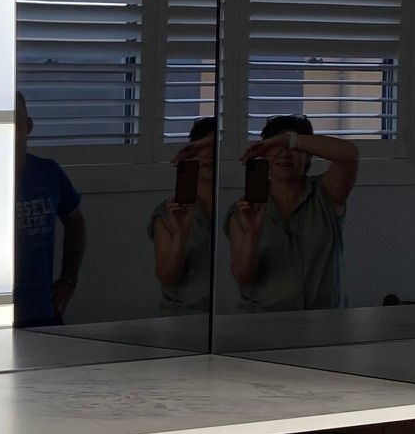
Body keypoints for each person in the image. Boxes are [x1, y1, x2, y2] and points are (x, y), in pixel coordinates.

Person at [227, 114, 359, 311]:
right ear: (263, 154)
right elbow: (243, 277)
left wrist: (291, 140)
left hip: (325, 321)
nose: (285, 154)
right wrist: (252, 236)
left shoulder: (326, 193)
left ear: (308, 155)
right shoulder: (245, 209)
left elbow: (349, 155)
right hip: (262, 322)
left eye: (294, 149)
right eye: (275, 148)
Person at [14, 90, 87, 326]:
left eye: (15, 123)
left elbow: (75, 222)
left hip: (41, 306)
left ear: (28, 126)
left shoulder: (48, 173)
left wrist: (69, 280)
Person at [149, 116, 214, 314]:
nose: (210, 155)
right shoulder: (171, 211)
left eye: (215, 147)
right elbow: (166, 277)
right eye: (202, 148)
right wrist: (180, 236)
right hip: (183, 315)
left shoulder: (242, 205)